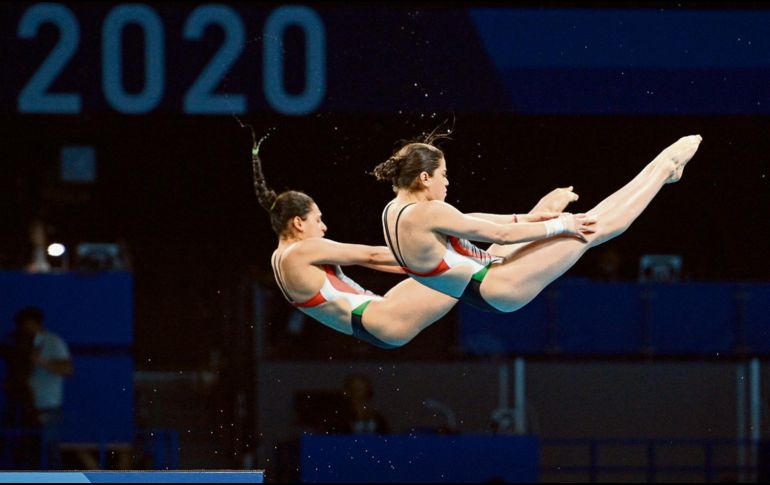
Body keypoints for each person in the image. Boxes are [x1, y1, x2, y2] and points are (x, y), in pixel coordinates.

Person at [250, 135, 577, 348]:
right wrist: (418, 257)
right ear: (297, 222)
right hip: (383, 318)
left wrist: (420, 258)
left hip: (374, 321)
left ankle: (529, 219)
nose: (323, 226)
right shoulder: (302, 250)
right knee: (466, 256)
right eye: (317, 219)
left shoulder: (278, 260)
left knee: (458, 237)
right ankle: (540, 216)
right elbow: (371, 257)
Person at [374, 132, 702, 313]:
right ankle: (664, 168)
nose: (447, 183)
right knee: (591, 229)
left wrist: (527, 219)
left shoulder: (393, 211)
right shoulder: (430, 212)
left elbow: (469, 221)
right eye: (444, 175)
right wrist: (561, 225)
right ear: (425, 177)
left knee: (586, 224)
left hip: (489, 284)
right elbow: (498, 234)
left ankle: (663, 171)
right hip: (499, 284)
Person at [12, 307, 73, 469]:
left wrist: (40, 361)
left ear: (36, 324)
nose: (26, 330)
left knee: (49, 451)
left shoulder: (53, 342)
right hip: (28, 407)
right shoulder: (22, 342)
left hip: (49, 407)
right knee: (26, 452)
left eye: (28, 325)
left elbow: (67, 369)